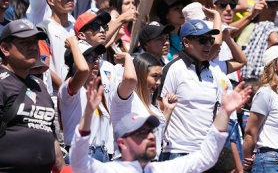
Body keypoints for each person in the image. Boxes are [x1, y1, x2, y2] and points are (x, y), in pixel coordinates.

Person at [69, 73, 252, 172]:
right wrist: (86, 115)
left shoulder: (161, 169)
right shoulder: (109, 171)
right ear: (122, 143)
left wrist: (225, 112)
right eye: (141, 133)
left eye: (150, 132)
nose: (150, 137)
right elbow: (79, 162)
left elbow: (206, 158)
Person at [0, 19, 64, 172]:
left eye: (35, 42)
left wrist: (62, 168)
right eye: (25, 42)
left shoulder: (39, 85)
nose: (33, 47)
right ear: (5, 48)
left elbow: (50, 133)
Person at [158, 19, 222, 161]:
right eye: (202, 40)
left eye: (210, 40)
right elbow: (161, 109)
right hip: (177, 151)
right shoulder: (173, 69)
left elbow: (214, 113)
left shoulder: (214, 72)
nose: (208, 45)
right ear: (186, 42)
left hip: (205, 153)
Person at [112, 52, 177, 159]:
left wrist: (168, 110)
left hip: (149, 164)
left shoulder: (150, 103)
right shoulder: (127, 97)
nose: (158, 82)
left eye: (160, 77)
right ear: (140, 74)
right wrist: (128, 57)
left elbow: (158, 133)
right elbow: (130, 78)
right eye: (154, 76)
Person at [59, 39, 112, 162]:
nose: (96, 62)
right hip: (82, 153)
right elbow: (83, 70)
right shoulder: (69, 88)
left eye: (96, 57)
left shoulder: (95, 90)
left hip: (101, 154)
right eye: (89, 58)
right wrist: (73, 43)